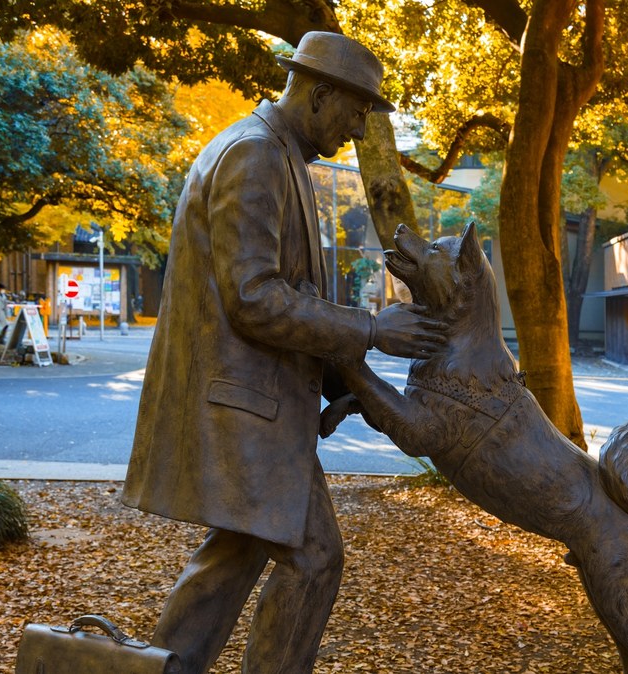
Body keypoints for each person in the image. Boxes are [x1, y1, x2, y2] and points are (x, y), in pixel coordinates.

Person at [122, 32, 446, 674]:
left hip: (256, 408)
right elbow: (254, 297)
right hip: (247, 413)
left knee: (232, 561)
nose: (358, 127)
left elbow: (282, 292)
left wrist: (338, 383)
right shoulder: (255, 155)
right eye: (356, 112)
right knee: (313, 556)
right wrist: (373, 330)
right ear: (321, 93)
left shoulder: (276, 153)